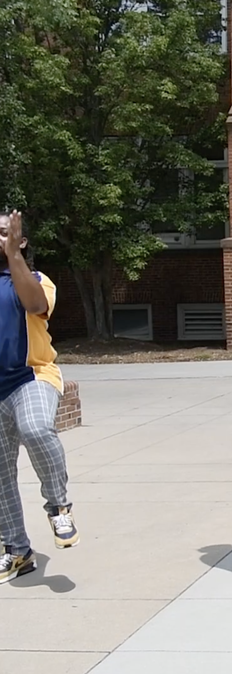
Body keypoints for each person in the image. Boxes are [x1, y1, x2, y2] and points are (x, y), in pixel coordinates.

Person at [0, 211, 79, 585]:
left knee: (35, 428)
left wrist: (12, 255)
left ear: (21, 240)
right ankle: (17, 551)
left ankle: (58, 505)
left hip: (31, 376)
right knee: (1, 476)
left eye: (4, 233)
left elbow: (34, 306)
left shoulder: (36, 279)